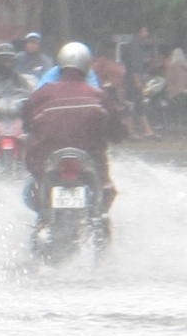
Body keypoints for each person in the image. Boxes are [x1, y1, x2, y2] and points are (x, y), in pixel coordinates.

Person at [17, 41, 128, 216]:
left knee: (32, 188)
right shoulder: (98, 95)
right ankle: (100, 223)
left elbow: (26, 122)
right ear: (86, 66)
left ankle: (43, 220)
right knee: (106, 193)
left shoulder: (43, 93)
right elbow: (117, 131)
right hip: (89, 159)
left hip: (46, 160)